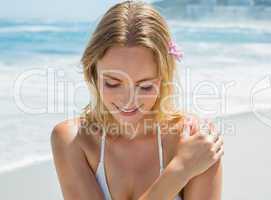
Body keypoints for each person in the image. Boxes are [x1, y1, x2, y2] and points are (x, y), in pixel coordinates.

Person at [51, 1, 224, 199]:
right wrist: (179, 171)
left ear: (163, 79)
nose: (128, 101)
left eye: (145, 86)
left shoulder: (195, 139)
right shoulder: (73, 140)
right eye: (113, 83)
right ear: (93, 73)